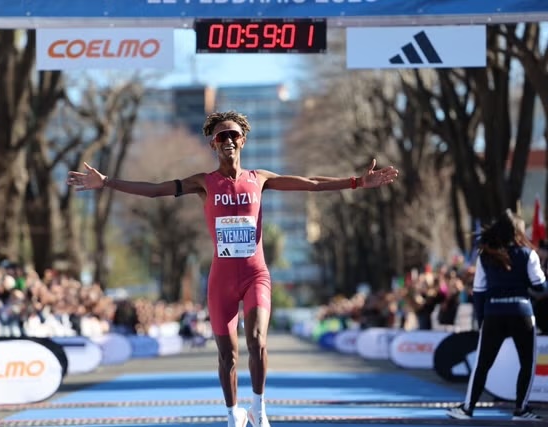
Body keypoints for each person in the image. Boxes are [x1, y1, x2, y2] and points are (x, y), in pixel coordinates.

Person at [67, 110, 399, 427]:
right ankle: (232, 415)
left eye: (233, 135)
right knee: (228, 356)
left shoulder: (260, 179)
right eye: (221, 136)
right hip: (221, 281)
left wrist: (357, 182)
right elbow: (156, 191)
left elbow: (310, 183)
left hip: (256, 275)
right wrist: (106, 182)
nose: (228, 140)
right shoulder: (204, 183)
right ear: (213, 144)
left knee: (257, 341)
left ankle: (259, 409)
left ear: (243, 140)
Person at [446, 209, 547, 422]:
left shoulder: (485, 256)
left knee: (482, 363)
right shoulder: (528, 254)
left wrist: (482, 319)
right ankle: (521, 410)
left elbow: (479, 292)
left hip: (493, 313)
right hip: (521, 312)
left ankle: (467, 408)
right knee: (527, 363)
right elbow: (540, 286)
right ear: (518, 232)